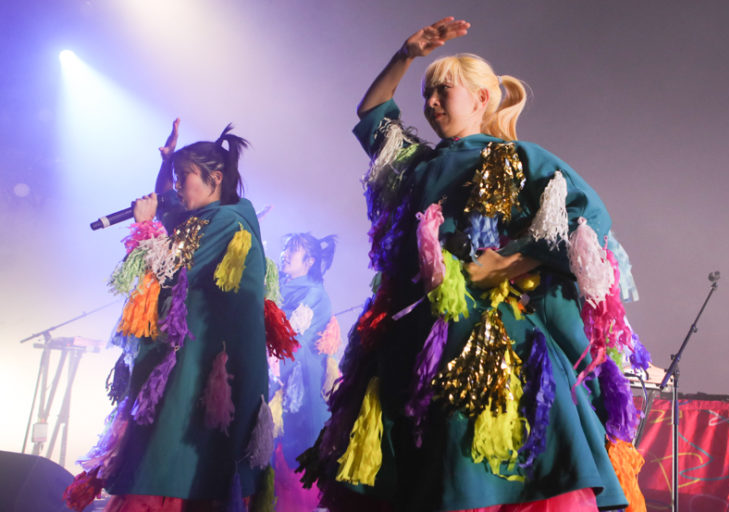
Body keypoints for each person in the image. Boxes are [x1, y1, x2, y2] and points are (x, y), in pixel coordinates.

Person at [298, 17, 648, 512]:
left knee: (473, 468)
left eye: (443, 90)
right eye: (426, 93)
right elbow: (373, 112)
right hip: (411, 339)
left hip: (485, 341)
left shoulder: (516, 157)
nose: (430, 102)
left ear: (482, 98)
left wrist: (507, 263)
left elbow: (587, 218)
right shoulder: (415, 163)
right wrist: (406, 54)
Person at [64, 119, 275, 512]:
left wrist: (145, 227)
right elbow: (169, 204)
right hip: (186, 361)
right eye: (176, 178)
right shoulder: (203, 215)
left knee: (180, 460)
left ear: (215, 178)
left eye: (184, 177)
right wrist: (167, 163)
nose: (177, 187)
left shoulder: (228, 224)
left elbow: (170, 268)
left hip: (206, 368)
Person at [270, 233, 339, 511]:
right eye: (285, 248)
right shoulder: (279, 287)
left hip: (299, 390)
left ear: (309, 261)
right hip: (276, 380)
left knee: (296, 472)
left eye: (293, 250)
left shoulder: (315, 295)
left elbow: (290, 333)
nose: (285, 254)